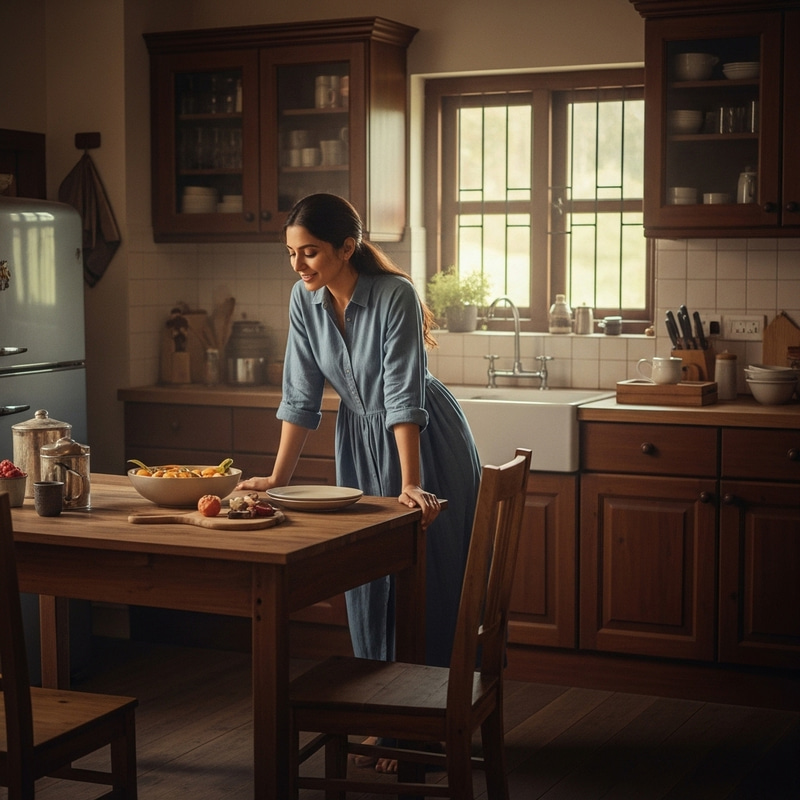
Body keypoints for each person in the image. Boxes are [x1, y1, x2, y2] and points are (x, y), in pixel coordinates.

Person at [237, 193, 481, 768]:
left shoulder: (394, 294)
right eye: (292, 254)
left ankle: (430, 722)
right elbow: (300, 398)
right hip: (359, 442)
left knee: (433, 580)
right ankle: (385, 720)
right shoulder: (305, 298)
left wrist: (412, 484)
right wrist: (274, 479)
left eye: (311, 253)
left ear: (347, 248)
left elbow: (402, 393)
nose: (299, 266)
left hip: (421, 439)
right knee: (370, 583)